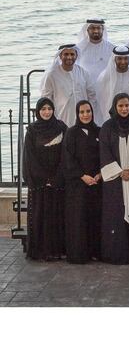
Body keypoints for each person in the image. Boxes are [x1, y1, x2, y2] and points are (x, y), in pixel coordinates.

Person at [98, 93, 129, 264]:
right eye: (120, 106)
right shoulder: (107, 128)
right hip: (115, 183)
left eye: (127, 105)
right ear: (115, 107)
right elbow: (104, 153)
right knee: (116, 216)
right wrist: (120, 172)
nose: (124, 109)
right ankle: (117, 254)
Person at [23, 97, 68, 260]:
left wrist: (56, 177)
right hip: (40, 182)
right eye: (43, 109)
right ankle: (40, 250)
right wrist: (44, 178)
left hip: (58, 181)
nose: (47, 112)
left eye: (49, 108)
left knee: (57, 215)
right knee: (39, 215)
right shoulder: (32, 130)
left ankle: (57, 250)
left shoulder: (62, 127)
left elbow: (66, 154)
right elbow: (29, 157)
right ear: (38, 111)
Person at [61, 100, 102, 263]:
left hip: (96, 183)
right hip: (77, 185)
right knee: (78, 219)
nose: (86, 115)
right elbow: (68, 158)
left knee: (95, 218)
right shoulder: (71, 133)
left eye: (88, 111)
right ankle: (79, 254)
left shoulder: (99, 131)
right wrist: (82, 176)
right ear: (77, 114)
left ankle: (95, 252)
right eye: (82, 112)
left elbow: (105, 154)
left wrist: (99, 174)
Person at [40, 44, 96, 126]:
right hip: (60, 117)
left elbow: (91, 95)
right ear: (60, 56)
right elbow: (46, 98)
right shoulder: (52, 75)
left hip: (82, 117)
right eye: (66, 54)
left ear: (76, 56)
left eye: (72, 54)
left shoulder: (83, 72)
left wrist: (88, 113)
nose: (69, 57)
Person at [95, 45, 129, 129]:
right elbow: (101, 101)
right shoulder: (104, 77)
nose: (123, 62)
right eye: (119, 59)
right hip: (111, 120)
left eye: (126, 58)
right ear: (114, 59)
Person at [76, 18, 116, 82]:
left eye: (98, 28)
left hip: (106, 85)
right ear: (87, 30)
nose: (96, 31)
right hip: (85, 86)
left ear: (103, 29)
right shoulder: (78, 49)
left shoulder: (112, 49)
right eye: (92, 28)